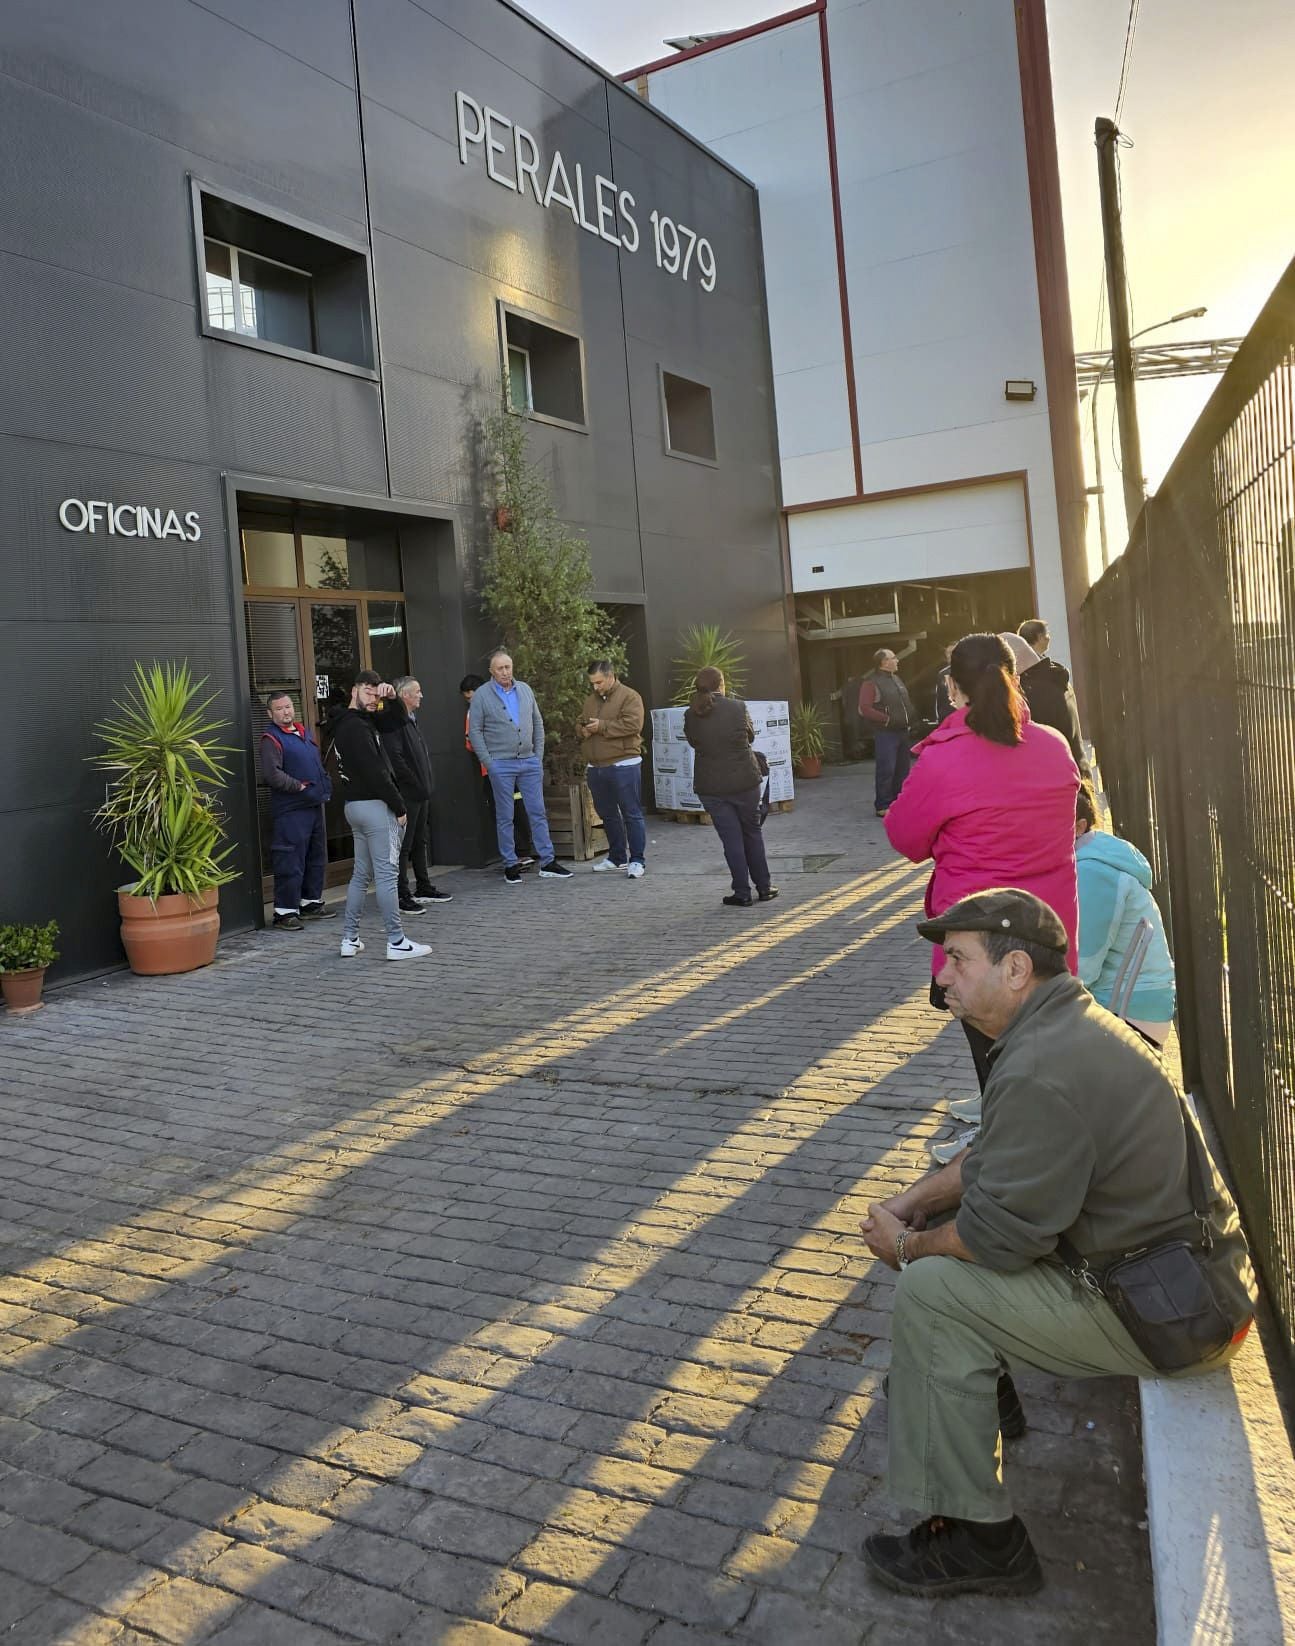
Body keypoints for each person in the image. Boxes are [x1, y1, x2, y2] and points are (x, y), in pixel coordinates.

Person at [858, 889, 1255, 1599]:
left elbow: (996, 1239)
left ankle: (981, 1539)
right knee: (945, 1257)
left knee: (933, 1291)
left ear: (1015, 970)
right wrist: (913, 1201)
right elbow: (999, 1157)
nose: (940, 977)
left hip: (1172, 1318)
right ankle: (985, 1397)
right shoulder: (1062, 1027)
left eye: (955, 960)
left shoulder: (1041, 1063)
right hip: (1177, 1286)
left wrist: (904, 1248)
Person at [884, 632, 1080, 1094]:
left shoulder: (943, 760)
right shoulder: (1053, 747)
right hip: (1051, 936)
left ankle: (1009, 1155)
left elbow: (905, 838)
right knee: (1046, 1066)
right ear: (1015, 679)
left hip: (980, 943)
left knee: (997, 1073)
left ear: (953, 688)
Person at [327, 671, 431, 961]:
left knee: (361, 874)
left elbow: (395, 720)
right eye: (368, 692)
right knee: (386, 875)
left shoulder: (351, 722)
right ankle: (396, 941)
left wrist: (392, 697)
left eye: (376, 693)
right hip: (373, 806)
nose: (373, 699)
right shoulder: (357, 728)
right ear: (354, 690)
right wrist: (399, 807)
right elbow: (377, 773)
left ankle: (350, 939)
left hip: (354, 806)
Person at [1075, 781, 1176, 1046]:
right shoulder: (1096, 857)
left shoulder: (1093, 873)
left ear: (1079, 826)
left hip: (1128, 1011)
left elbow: (1084, 967)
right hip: (1136, 1002)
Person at [467, 650, 572, 883]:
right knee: (505, 815)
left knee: (537, 812)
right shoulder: (482, 696)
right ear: (491, 672)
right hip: (500, 764)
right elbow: (474, 732)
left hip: (528, 761)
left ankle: (548, 861)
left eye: (508, 667)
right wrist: (489, 763)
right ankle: (510, 864)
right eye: (500, 668)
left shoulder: (524, 689)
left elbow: (537, 722)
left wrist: (537, 756)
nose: (505, 672)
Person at [684, 667, 777, 908]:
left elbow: (694, 742)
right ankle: (765, 888)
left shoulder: (691, 713)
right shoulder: (738, 707)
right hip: (745, 781)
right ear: (721, 684)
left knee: (731, 839)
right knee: (752, 832)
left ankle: (742, 892)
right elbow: (751, 736)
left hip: (711, 786)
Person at [259, 691, 336, 931]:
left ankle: (310, 903)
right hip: (291, 809)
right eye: (280, 708)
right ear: (270, 714)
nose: (286, 712)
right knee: (290, 859)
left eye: (289, 706)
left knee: (315, 856)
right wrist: (298, 786)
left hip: (314, 805)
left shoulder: (304, 733)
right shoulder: (271, 739)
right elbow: (272, 774)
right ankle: (285, 912)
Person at [376, 675, 452, 914]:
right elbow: (396, 760)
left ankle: (424, 886)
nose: (421, 695)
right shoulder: (395, 723)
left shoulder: (412, 720)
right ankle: (401, 893)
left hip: (421, 792)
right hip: (409, 793)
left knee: (420, 841)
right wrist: (415, 784)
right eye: (417, 691)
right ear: (404, 696)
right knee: (404, 845)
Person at [578, 660, 647, 879]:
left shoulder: (630, 697)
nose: (595, 687)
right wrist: (582, 730)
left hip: (624, 764)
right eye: (592, 683)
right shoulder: (591, 700)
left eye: (598, 682)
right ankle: (617, 857)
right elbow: (579, 722)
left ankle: (637, 860)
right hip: (596, 766)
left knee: (631, 813)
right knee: (607, 814)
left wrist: (602, 726)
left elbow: (633, 725)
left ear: (611, 676)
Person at [460, 673, 533, 866]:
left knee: (501, 811)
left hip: (493, 770)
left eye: (471, 697)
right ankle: (524, 850)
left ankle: (516, 854)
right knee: (517, 806)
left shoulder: (475, 713)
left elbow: (471, 743)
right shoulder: (505, 704)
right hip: (514, 766)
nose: (471, 701)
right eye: (468, 699)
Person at [1014, 618, 1089, 775]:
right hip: (1073, 769)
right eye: (1047, 634)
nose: (1049, 638)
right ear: (1039, 637)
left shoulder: (1030, 690)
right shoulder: (1056, 678)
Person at [859, 649, 918, 816]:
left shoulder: (896, 679)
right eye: (893, 658)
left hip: (902, 731)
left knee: (902, 769)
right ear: (884, 662)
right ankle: (883, 805)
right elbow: (864, 708)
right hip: (886, 733)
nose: (897, 660)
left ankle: (899, 802)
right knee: (887, 769)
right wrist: (887, 720)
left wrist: (912, 719)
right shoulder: (871, 683)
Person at [933, 644, 957, 726]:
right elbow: (939, 698)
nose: (950, 655)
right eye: (948, 653)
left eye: (953, 652)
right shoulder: (942, 674)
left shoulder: (972, 671)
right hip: (948, 718)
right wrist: (939, 719)